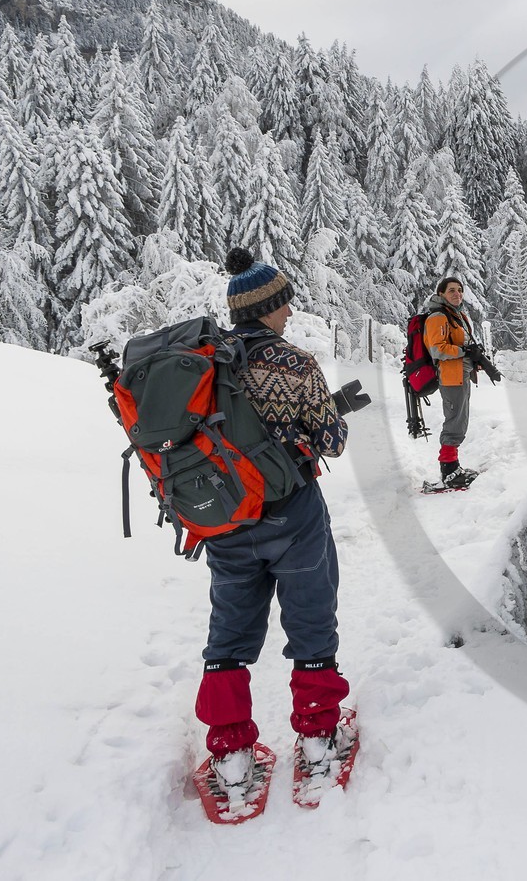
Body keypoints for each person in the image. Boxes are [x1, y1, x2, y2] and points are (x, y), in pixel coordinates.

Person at [195, 247, 352, 786]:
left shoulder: (205, 363)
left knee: (229, 630)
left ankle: (231, 753)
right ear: (265, 307)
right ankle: (315, 737)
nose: (289, 312)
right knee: (310, 620)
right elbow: (331, 441)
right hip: (293, 515)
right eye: (283, 304)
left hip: (226, 518)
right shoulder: (296, 362)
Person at [422, 276, 480, 486]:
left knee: (460, 420)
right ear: (441, 294)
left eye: (459, 290)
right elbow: (437, 349)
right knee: (454, 420)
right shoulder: (438, 317)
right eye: (451, 291)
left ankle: (454, 467)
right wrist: (464, 351)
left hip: (460, 375)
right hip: (450, 377)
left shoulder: (455, 315)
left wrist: (473, 358)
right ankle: (448, 471)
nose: (457, 294)